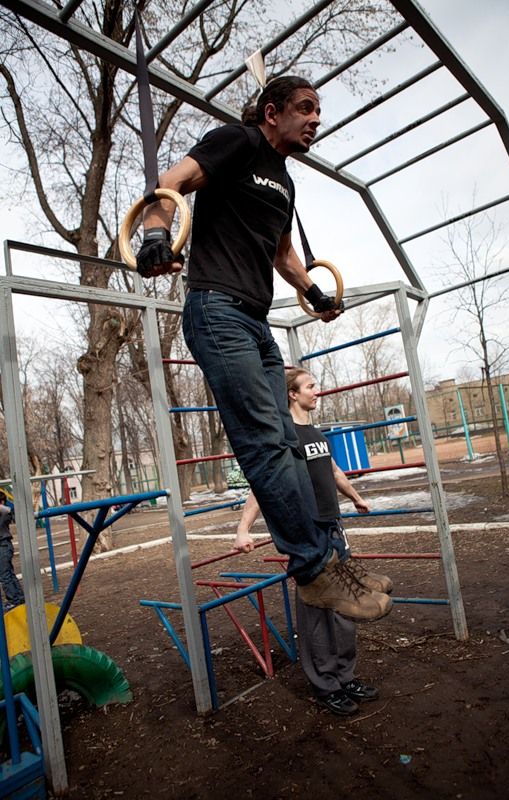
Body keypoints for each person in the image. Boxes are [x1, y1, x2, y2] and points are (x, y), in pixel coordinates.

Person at [136, 75, 391, 621]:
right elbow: (170, 184)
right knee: (264, 443)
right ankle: (314, 567)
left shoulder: (285, 184)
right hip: (216, 308)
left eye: (318, 110)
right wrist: (156, 233)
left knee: (290, 440)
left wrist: (313, 290)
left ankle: (324, 559)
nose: (315, 119)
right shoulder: (239, 141)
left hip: (256, 318)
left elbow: (283, 255)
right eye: (305, 108)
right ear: (272, 113)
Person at [235, 368, 392, 715]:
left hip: (333, 528)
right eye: (310, 386)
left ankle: (345, 675)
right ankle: (325, 684)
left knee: (348, 606)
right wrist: (243, 528)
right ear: (292, 393)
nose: (316, 391)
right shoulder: (284, 435)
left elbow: (333, 471)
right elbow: (263, 485)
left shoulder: (315, 431)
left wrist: (355, 497)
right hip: (306, 533)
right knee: (317, 612)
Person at [0, 490, 25, 611]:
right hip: (4, 546)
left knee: (5, 575)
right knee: (8, 573)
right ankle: (19, 598)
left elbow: (10, 509)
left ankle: (14, 599)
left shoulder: (5, 513)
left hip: (3, 546)